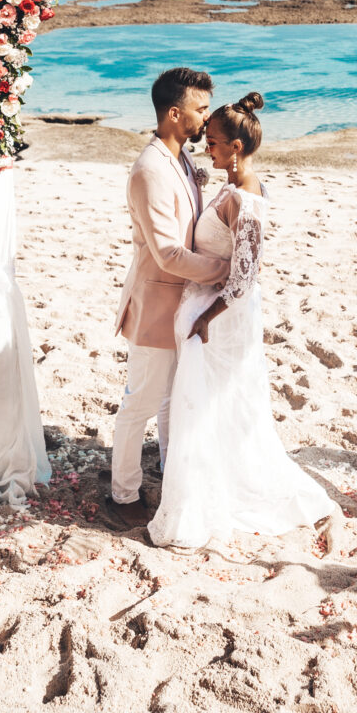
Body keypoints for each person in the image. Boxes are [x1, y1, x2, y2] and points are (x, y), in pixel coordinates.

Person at [148, 92, 343, 551]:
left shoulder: (246, 196)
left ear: (236, 148)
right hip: (206, 309)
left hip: (222, 319)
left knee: (212, 403)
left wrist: (206, 319)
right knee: (204, 404)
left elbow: (246, 275)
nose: (205, 147)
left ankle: (210, 494)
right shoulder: (230, 185)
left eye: (213, 142)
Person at [108, 68, 230, 528]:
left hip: (185, 304)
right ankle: (122, 495)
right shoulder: (150, 170)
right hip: (157, 304)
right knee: (140, 402)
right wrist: (226, 272)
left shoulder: (179, 160)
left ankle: (169, 475)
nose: (206, 117)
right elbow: (168, 253)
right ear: (175, 114)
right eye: (200, 109)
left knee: (170, 401)